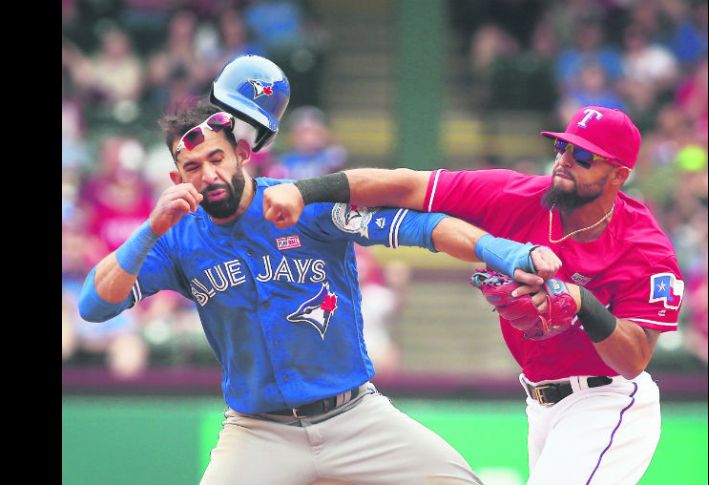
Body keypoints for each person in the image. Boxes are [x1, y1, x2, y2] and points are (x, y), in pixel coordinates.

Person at [79, 55, 564, 485]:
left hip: (354, 417)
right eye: (191, 167)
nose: (207, 175)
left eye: (216, 158)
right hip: (257, 430)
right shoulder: (176, 239)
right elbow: (94, 306)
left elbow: (425, 229)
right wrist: (150, 229)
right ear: (175, 178)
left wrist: (507, 253)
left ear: (242, 155)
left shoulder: (302, 204)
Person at [262, 105, 685, 484]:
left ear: (619, 174)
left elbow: (633, 361)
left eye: (584, 157)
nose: (565, 161)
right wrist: (305, 191)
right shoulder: (516, 196)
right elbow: (407, 186)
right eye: (562, 148)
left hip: (607, 401)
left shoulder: (645, 248)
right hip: (540, 403)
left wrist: (582, 302)